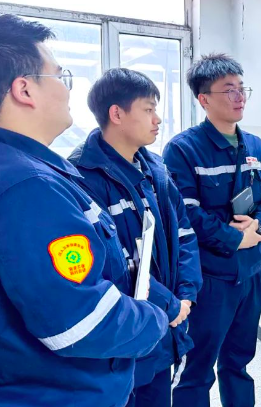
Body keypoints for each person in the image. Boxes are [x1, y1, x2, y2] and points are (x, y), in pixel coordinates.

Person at [0, 14, 169, 407]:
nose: (66, 88)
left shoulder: (38, 169)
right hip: (60, 392)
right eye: (60, 76)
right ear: (25, 89)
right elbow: (80, 320)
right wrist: (155, 319)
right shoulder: (29, 186)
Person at [68, 68, 203, 407]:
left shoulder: (155, 169)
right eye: (148, 109)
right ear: (116, 114)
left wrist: (186, 294)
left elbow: (184, 233)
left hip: (165, 328)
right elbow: (110, 267)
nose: (157, 119)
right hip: (124, 337)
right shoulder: (81, 178)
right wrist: (171, 304)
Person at [164, 53, 261, 407]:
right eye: (229, 90)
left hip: (252, 273)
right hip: (211, 278)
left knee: (239, 362)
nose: (239, 97)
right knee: (196, 370)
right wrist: (236, 239)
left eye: (242, 88)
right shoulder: (183, 149)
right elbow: (186, 213)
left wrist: (260, 224)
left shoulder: (256, 146)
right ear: (204, 99)